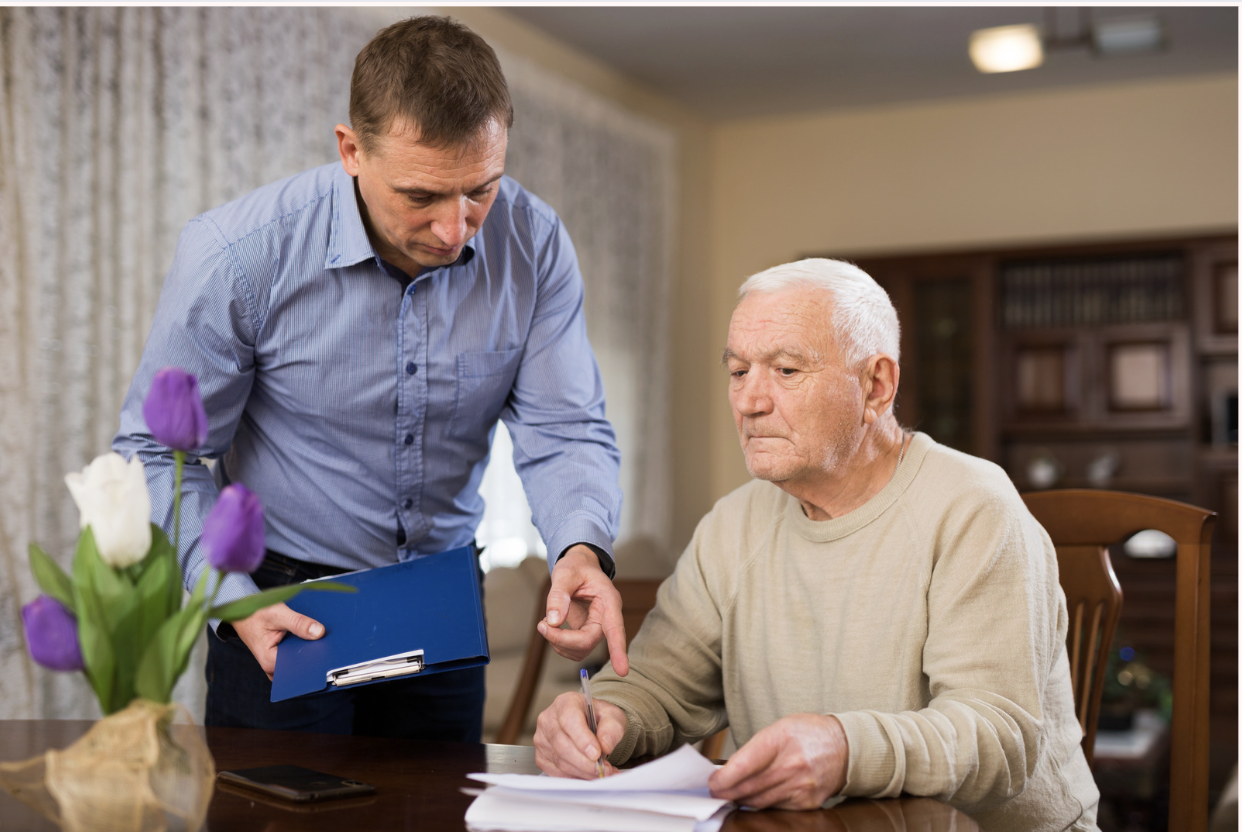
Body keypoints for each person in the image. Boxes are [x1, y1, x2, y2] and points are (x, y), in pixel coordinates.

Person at [113, 16, 628, 741]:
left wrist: (579, 547)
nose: (455, 230)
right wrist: (229, 598)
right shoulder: (238, 256)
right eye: (421, 196)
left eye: (481, 189)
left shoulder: (534, 245)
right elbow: (157, 456)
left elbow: (564, 427)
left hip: (444, 600)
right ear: (351, 150)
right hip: (281, 607)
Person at [533, 259, 1100, 831]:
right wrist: (603, 715)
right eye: (737, 372)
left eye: (785, 370)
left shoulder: (974, 505)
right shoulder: (731, 525)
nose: (749, 402)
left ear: (875, 386)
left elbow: (996, 737)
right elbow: (657, 684)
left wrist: (845, 749)